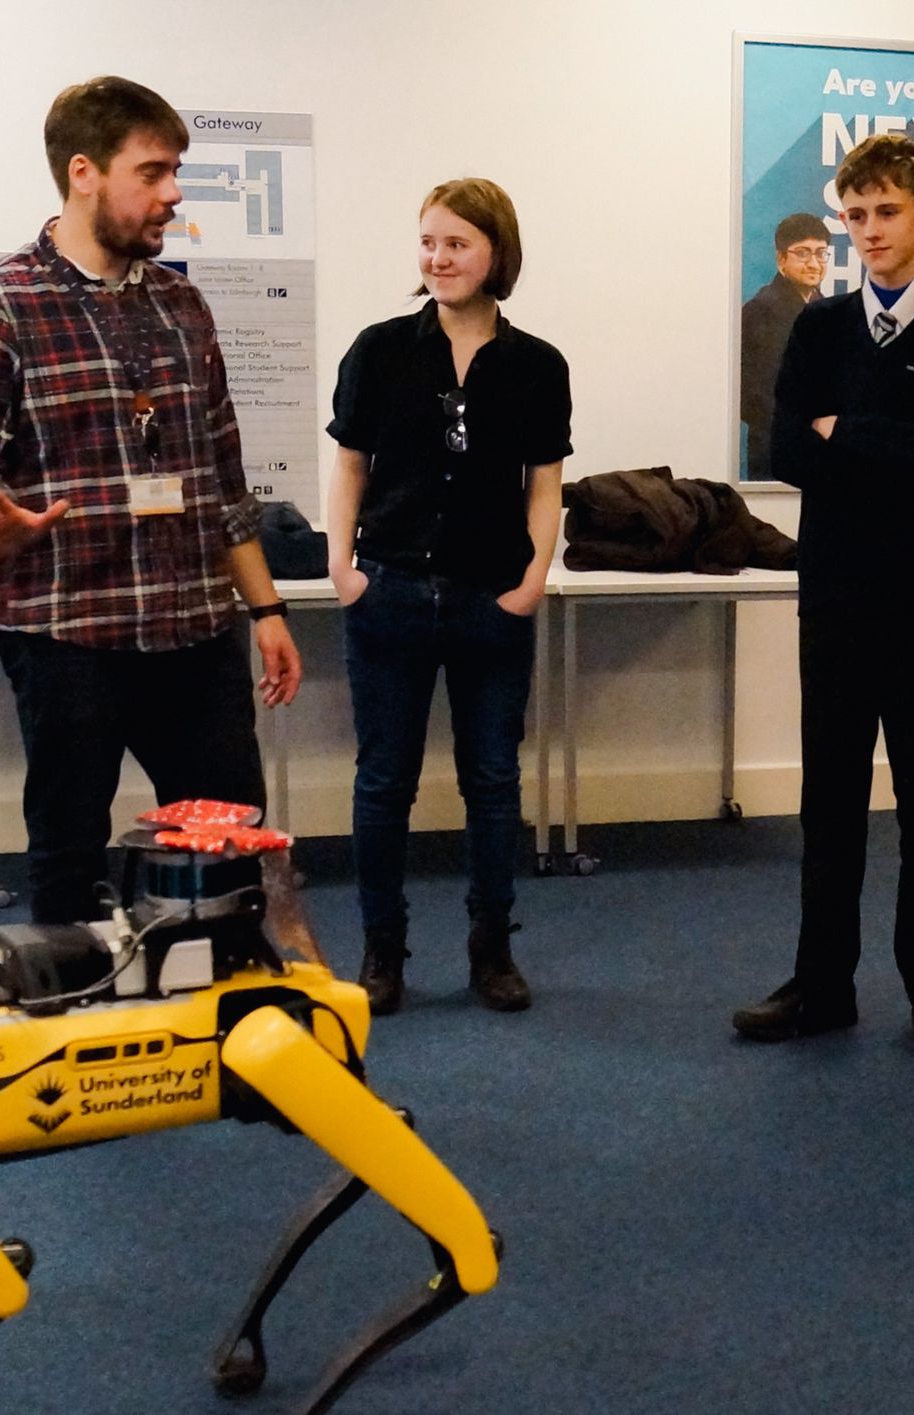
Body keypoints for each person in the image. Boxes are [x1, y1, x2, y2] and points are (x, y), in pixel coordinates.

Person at [0, 76, 302, 925]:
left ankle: (224, 1032)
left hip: (195, 632)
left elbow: (222, 478)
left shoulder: (182, 306)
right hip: (69, 635)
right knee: (67, 857)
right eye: (155, 172)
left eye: (177, 171)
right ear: (84, 172)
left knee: (231, 848)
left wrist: (267, 609)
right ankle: (73, 1030)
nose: (174, 194)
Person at [733, 134, 914, 1051]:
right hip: (838, 594)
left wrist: (845, 429)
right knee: (831, 797)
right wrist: (894, 435)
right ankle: (822, 986)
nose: (870, 230)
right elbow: (787, 453)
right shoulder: (820, 326)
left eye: (887, 212)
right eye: (855, 215)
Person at [325, 178, 571, 1014]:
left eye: (456, 243)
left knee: (494, 782)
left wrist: (534, 577)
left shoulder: (538, 366)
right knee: (383, 782)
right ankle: (381, 951)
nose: (438, 258)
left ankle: (491, 950)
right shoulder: (380, 349)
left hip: (490, 599)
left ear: (495, 252)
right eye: (428, 242)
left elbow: (546, 485)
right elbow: (349, 468)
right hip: (387, 592)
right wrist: (342, 569)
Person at [739, 212, 830, 480]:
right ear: (781, 260)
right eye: (802, 253)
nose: (814, 263)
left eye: (821, 253)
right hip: (774, 451)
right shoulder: (759, 312)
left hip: (820, 450)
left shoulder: (826, 310)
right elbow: (751, 395)